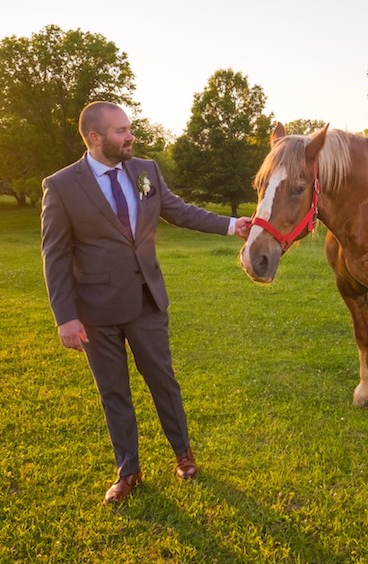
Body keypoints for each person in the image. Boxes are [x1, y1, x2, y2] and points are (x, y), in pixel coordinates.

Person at [41, 101, 251, 503]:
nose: (130, 136)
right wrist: (65, 316)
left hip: (146, 302)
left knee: (163, 381)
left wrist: (230, 225)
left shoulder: (146, 171)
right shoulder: (63, 185)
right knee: (113, 391)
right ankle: (128, 471)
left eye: (129, 128)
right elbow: (54, 254)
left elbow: (177, 211)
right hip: (95, 312)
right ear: (95, 138)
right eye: (121, 131)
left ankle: (183, 454)